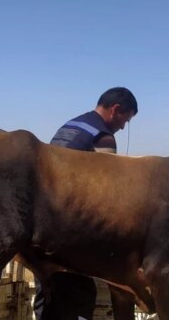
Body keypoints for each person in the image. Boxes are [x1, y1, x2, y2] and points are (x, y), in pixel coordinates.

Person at [34, 86, 138, 320]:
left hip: (41, 229)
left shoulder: (69, 127)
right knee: (79, 295)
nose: (123, 127)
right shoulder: (102, 137)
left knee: (47, 296)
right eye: (125, 120)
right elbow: (105, 195)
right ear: (116, 110)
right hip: (69, 232)